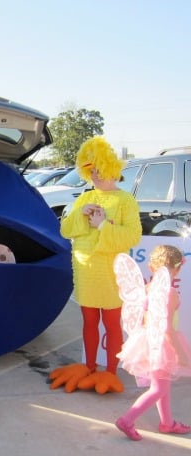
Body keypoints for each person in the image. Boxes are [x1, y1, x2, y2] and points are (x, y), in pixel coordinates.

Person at [49, 136, 142, 394]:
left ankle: (111, 372)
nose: (97, 175)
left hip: (111, 272)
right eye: (92, 171)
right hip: (86, 271)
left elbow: (133, 235)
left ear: (112, 167)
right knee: (89, 321)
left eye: (100, 169)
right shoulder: (83, 198)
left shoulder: (125, 201)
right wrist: (81, 214)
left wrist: (103, 225)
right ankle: (89, 366)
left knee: (112, 324)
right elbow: (66, 230)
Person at [115, 245, 191, 441]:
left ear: (152, 267)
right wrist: (180, 353)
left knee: (162, 386)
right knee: (158, 388)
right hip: (162, 344)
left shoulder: (149, 288)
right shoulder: (170, 293)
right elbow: (167, 328)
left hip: (148, 341)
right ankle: (127, 420)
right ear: (177, 268)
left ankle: (167, 423)